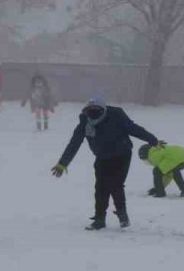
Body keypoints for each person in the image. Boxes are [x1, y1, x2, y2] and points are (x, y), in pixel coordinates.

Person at [51, 97, 159, 230]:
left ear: (103, 110)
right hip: (102, 156)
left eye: (95, 111)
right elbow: (74, 143)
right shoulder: (85, 122)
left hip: (122, 154)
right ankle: (99, 219)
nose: (92, 114)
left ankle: (122, 214)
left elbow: (133, 129)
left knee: (115, 184)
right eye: (89, 111)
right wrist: (62, 163)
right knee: (101, 187)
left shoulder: (116, 115)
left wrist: (153, 140)